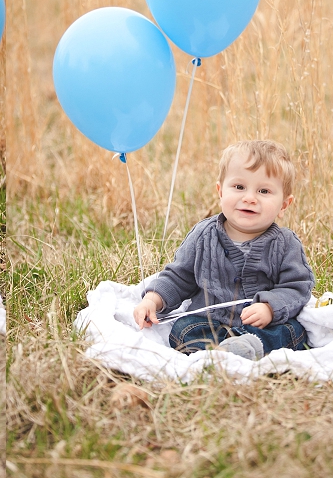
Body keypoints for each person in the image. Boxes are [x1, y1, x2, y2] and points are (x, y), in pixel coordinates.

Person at [133, 140, 314, 360]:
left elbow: (297, 288)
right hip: (209, 322)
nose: (249, 198)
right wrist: (152, 300)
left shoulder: (286, 244)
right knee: (184, 329)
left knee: (294, 332)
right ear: (220, 191)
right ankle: (219, 354)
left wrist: (270, 308)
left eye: (264, 191)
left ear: (284, 205)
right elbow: (179, 276)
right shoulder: (204, 235)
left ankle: (246, 347)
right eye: (239, 187)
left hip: (260, 327)